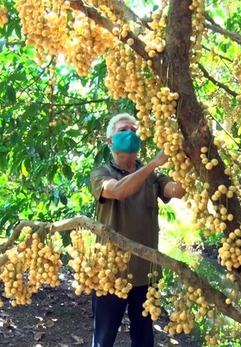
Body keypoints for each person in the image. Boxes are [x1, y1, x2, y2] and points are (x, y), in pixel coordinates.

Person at [90, 113, 186, 347]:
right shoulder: (101, 173)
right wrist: (153, 163)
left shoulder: (153, 177)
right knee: (103, 339)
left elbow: (178, 190)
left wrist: (188, 161)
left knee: (144, 339)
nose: (131, 134)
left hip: (146, 274)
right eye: (124, 130)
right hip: (109, 274)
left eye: (134, 130)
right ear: (111, 141)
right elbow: (119, 191)